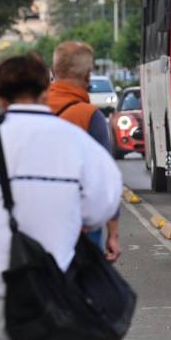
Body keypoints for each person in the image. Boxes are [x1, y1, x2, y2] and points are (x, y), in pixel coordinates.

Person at [0, 55, 122, 340]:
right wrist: (82, 219)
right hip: (63, 283)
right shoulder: (76, 142)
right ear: (46, 90)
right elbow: (105, 200)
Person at [47, 41, 121, 262]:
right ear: (88, 76)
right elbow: (106, 180)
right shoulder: (89, 117)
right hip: (80, 228)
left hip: (35, 225)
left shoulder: (34, 108)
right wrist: (113, 233)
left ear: (54, 71)